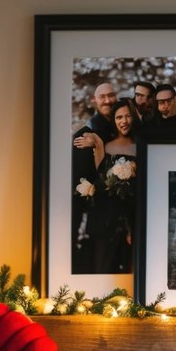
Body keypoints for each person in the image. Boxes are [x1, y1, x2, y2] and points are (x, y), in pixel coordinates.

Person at [75, 98, 138, 274]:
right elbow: (100, 178)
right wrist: (97, 142)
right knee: (104, 267)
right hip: (106, 217)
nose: (123, 121)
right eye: (119, 117)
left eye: (127, 116)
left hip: (132, 215)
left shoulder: (142, 146)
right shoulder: (107, 145)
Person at [71, 80, 118, 270]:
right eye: (102, 97)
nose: (107, 101)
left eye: (111, 95)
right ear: (94, 100)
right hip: (97, 209)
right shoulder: (86, 134)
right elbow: (80, 179)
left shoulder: (121, 126)